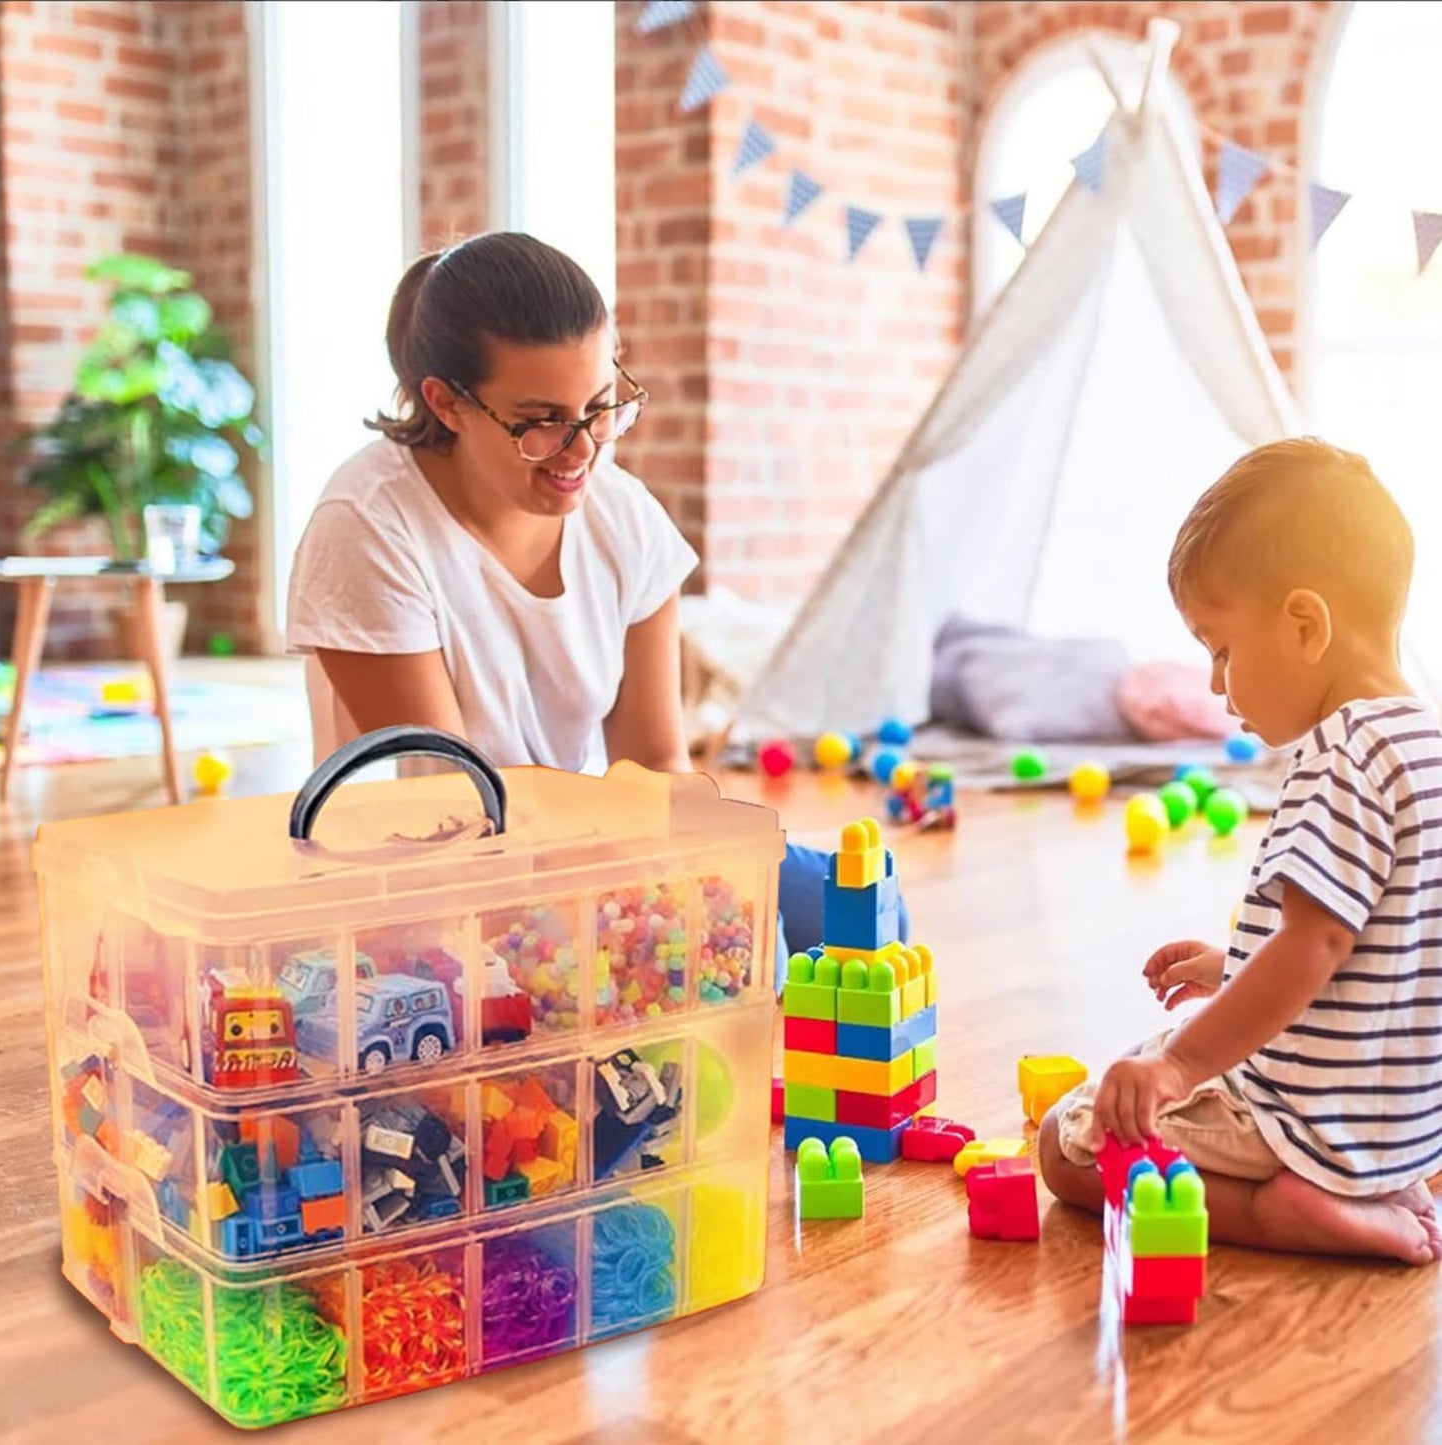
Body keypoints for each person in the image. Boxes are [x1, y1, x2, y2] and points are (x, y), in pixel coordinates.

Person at [284, 231, 904, 970]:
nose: (583, 450)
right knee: (746, 957)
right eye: (542, 421)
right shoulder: (367, 528)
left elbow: (653, 763)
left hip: (584, 846)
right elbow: (452, 811)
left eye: (602, 406)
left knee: (865, 906)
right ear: (446, 403)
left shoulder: (624, 518)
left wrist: (708, 875)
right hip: (435, 886)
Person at [1038, 437, 1442, 1266]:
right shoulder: (1422, 743)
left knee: (1066, 1146)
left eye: (1220, 648)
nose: (1217, 684)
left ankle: (1285, 1211)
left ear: (1304, 624)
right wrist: (1235, 964)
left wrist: (1180, 1065)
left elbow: (1317, 942)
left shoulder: (1341, 754)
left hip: (1306, 1124)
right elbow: (1381, 950)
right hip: (1399, 1128)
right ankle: (1365, 1186)